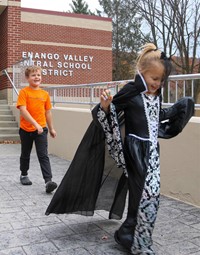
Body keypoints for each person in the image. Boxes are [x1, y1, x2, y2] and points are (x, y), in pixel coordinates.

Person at [45, 43, 194, 254]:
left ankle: (127, 233)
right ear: (142, 73)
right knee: (146, 194)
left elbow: (155, 117)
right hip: (135, 151)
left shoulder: (155, 95)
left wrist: (180, 109)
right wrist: (106, 106)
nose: (157, 84)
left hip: (152, 152)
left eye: (161, 80)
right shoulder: (131, 91)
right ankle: (139, 243)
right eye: (154, 79)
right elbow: (107, 112)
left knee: (147, 194)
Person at [16, 65, 57, 193]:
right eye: (33, 75)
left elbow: (48, 112)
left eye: (38, 75)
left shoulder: (45, 94)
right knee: (25, 154)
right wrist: (35, 124)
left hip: (41, 130)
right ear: (27, 78)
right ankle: (24, 174)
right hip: (26, 129)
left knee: (43, 155)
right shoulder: (24, 92)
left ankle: (48, 181)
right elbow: (23, 110)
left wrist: (51, 128)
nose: (37, 77)